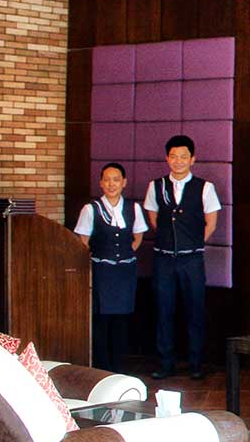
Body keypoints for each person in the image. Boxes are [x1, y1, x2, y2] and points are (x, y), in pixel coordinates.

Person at [144, 135, 220, 380]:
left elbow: (211, 223)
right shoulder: (156, 186)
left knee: (195, 310)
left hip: (192, 260)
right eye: (173, 156)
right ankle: (165, 363)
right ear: (167, 158)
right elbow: (153, 218)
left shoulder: (205, 187)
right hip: (163, 259)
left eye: (183, 157)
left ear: (192, 159)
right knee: (163, 310)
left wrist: (193, 243)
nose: (178, 161)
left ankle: (196, 363)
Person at [74, 162, 147, 373]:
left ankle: (118, 368)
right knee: (101, 320)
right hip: (101, 272)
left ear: (124, 182)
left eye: (116, 179)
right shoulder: (91, 209)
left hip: (125, 272)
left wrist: (125, 253)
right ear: (100, 183)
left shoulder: (134, 208)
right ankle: (102, 368)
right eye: (106, 179)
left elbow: (138, 236)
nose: (111, 184)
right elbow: (83, 242)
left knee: (121, 320)